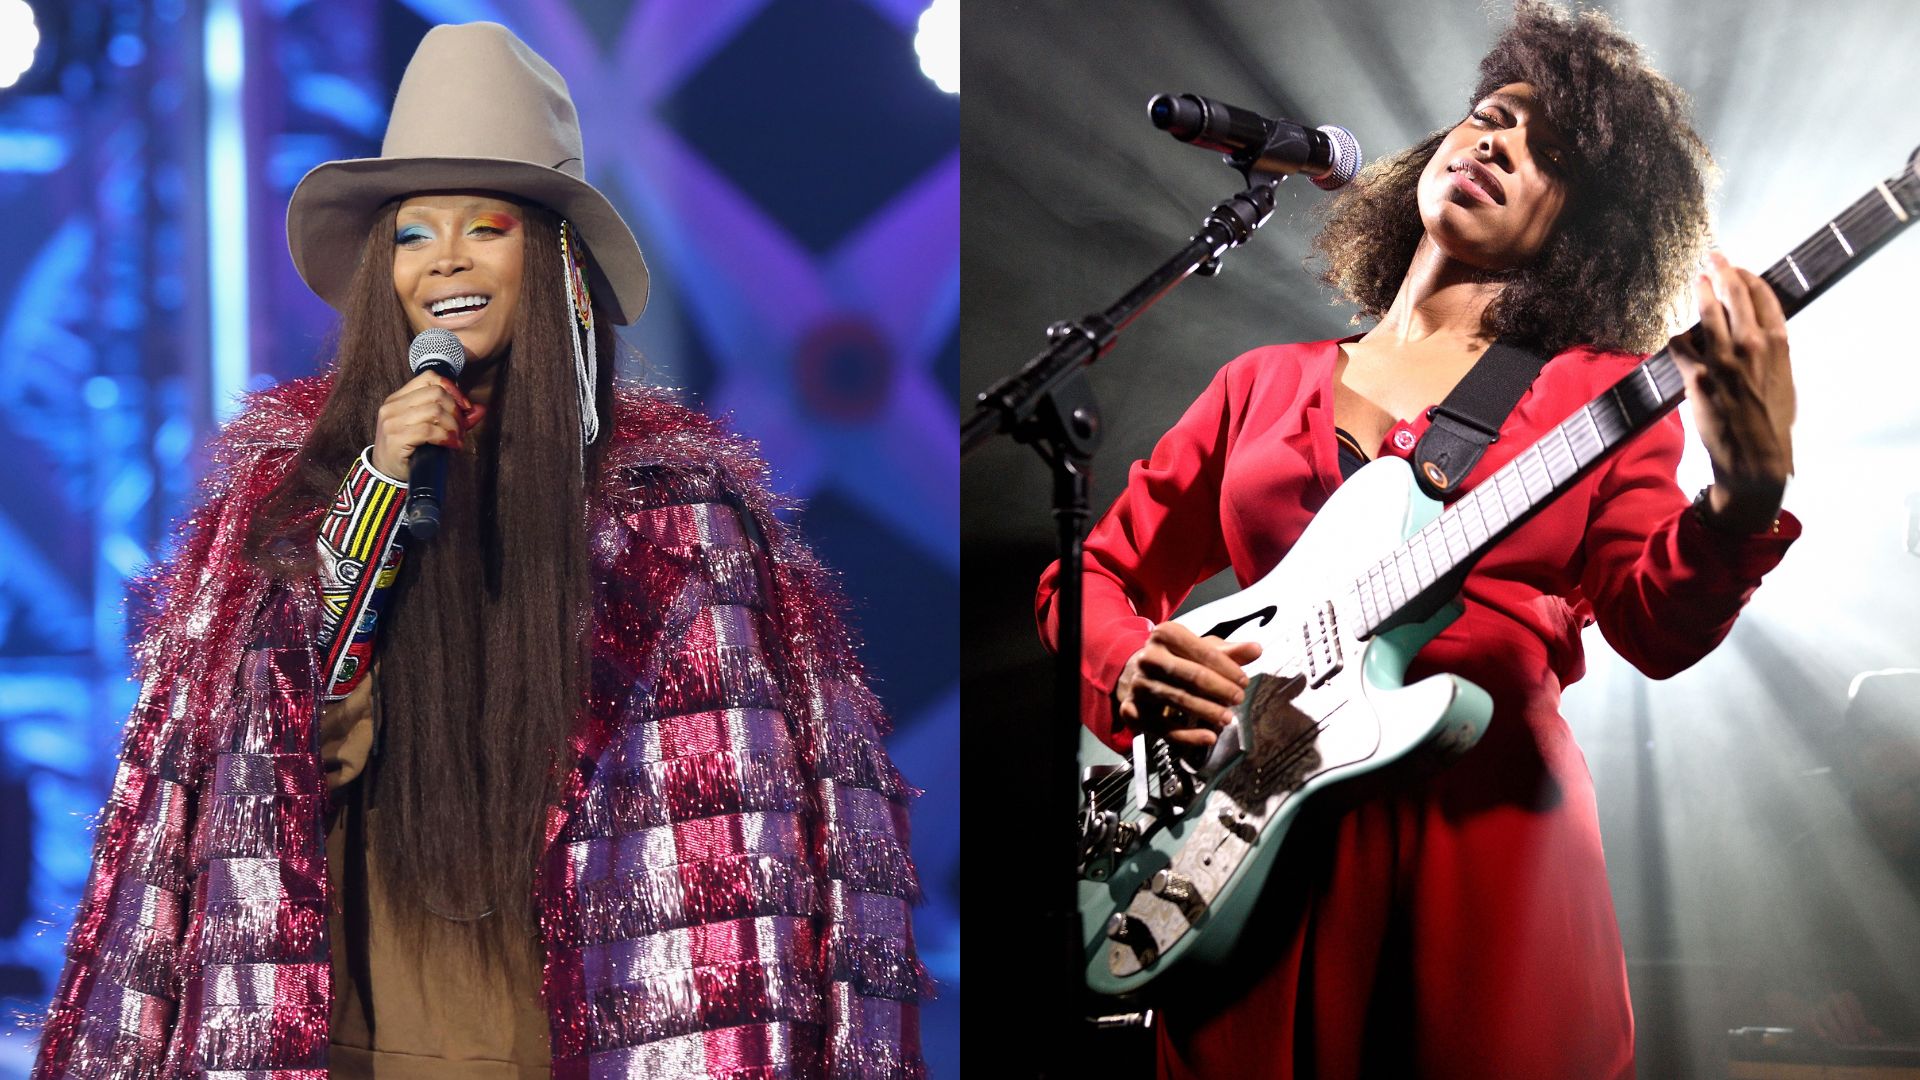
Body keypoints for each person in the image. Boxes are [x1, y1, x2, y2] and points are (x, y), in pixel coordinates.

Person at [34, 22, 925, 1079]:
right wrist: (371, 495)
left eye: (485, 227)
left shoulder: (677, 517)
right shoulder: (286, 502)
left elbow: (753, 834)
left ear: (550, 258)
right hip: (348, 1025)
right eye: (413, 234)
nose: (445, 260)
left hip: (574, 1030)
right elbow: (286, 759)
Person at [1036, 3, 1798, 1077]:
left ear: (1588, 226)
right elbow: (1094, 574)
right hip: (1239, 845)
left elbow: (1656, 627)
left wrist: (1745, 501)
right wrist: (1128, 665)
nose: (1497, 143)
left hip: (1482, 844)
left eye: (1548, 154)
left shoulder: (1601, 397)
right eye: (1491, 116)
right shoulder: (1264, 383)